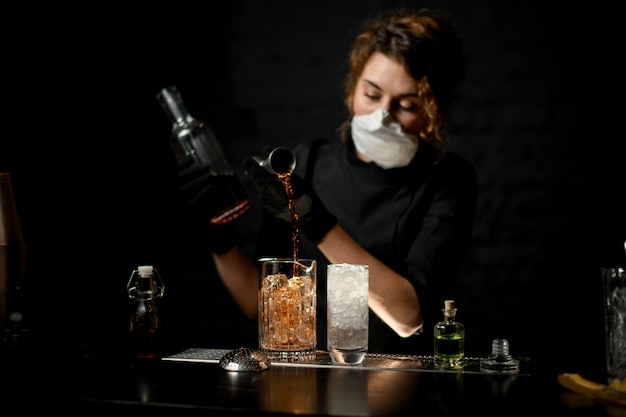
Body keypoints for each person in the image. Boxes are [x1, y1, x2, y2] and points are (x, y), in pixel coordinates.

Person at [178, 7, 477, 354]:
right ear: (352, 90)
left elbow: (409, 317)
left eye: (406, 105)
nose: (382, 116)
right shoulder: (307, 163)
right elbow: (255, 304)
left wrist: (315, 222)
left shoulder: (448, 179)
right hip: (303, 377)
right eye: (371, 94)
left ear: (432, 112)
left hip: (392, 384)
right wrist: (218, 237)